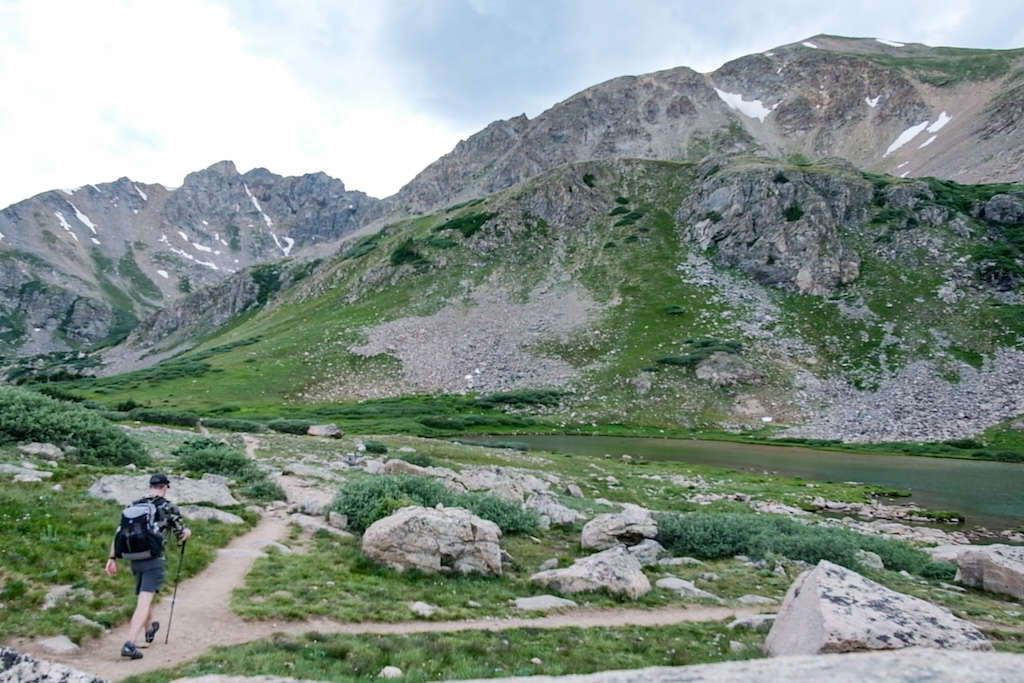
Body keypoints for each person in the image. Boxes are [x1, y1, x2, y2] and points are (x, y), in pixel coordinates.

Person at [105, 473, 191, 660]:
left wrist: (112, 558)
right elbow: (180, 533)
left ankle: (150, 629)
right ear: (165, 487)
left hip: (134, 558)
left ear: (150, 486)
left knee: (146, 593)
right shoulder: (168, 507)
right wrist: (187, 532)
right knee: (143, 602)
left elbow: (119, 532)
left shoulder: (135, 505)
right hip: (153, 559)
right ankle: (129, 643)